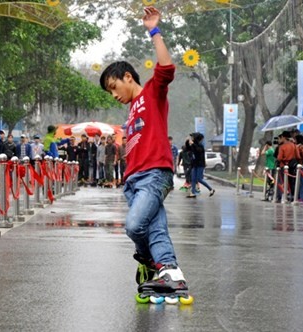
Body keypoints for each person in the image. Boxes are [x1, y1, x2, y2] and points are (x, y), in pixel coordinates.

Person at [99, 6, 190, 299]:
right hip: (134, 180)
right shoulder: (131, 110)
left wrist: (154, 29)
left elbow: (166, 69)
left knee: (135, 226)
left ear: (128, 77)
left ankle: (148, 262)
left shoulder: (152, 92)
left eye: (114, 87)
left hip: (154, 174)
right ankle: (170, 273)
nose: (114, 94)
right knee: (155, 229)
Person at [187, 133, 215, 198]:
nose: (192, 138)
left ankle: (211, 189)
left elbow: (198, 150)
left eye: (193, 137)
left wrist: (193, 144)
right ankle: (193, 192)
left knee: (199, 178)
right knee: (193, 178)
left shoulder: (200, 146)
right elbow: (189, 151)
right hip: (194, 164)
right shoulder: (193, 145)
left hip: (200, 164)